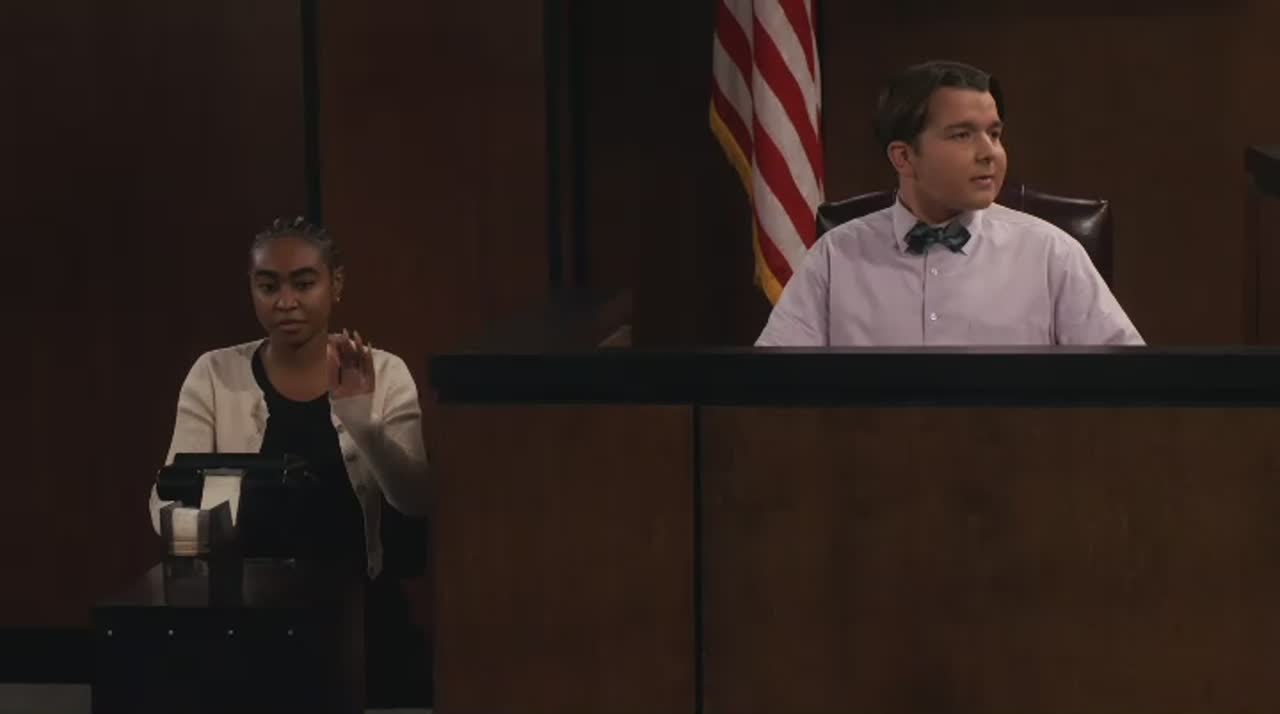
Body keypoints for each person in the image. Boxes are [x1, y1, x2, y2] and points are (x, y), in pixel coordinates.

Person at [151, 216, 431, 707]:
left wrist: (362, 422)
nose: (285, 302)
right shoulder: (213, 374)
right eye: (268, 286)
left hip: (362, 613)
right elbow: (167, 498)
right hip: (244, 616)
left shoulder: (385, 372)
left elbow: (415, 498)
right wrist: (201, 531)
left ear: (335, 284)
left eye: (303, 284)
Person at [756, 60, 1144, 347]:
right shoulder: (835, 257)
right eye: (962, 135)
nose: (989, 153)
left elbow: (1126, 386)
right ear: (904, 158)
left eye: (994, 134)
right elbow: (774, 388)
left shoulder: (1051, 254)